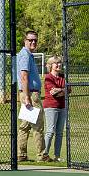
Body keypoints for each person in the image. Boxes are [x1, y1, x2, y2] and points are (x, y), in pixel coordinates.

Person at [16, 30, 45, 162]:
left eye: (35, 40)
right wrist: (27, 97)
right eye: (30, 40)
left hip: (29, 93)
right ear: (25, 41)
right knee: (38, 125)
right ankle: (42, 155)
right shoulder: (25, 55)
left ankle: (21, 155)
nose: (33, 42)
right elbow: (24, 76)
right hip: (30, 94)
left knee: (25, 125)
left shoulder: (28, 55)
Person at [42, 56, 68, 162]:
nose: (58, 65)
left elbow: (69, 89)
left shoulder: (63, 76)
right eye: (55, 63)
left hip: (62, 107)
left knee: (60, 132)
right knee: (50, 131)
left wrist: (60, 90)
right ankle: (44, 154)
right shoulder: (48, 77)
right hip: (51, 107)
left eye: (59, 63)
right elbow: (53, 93)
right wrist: (63, 90)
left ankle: (57, 156)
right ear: (50, 65)